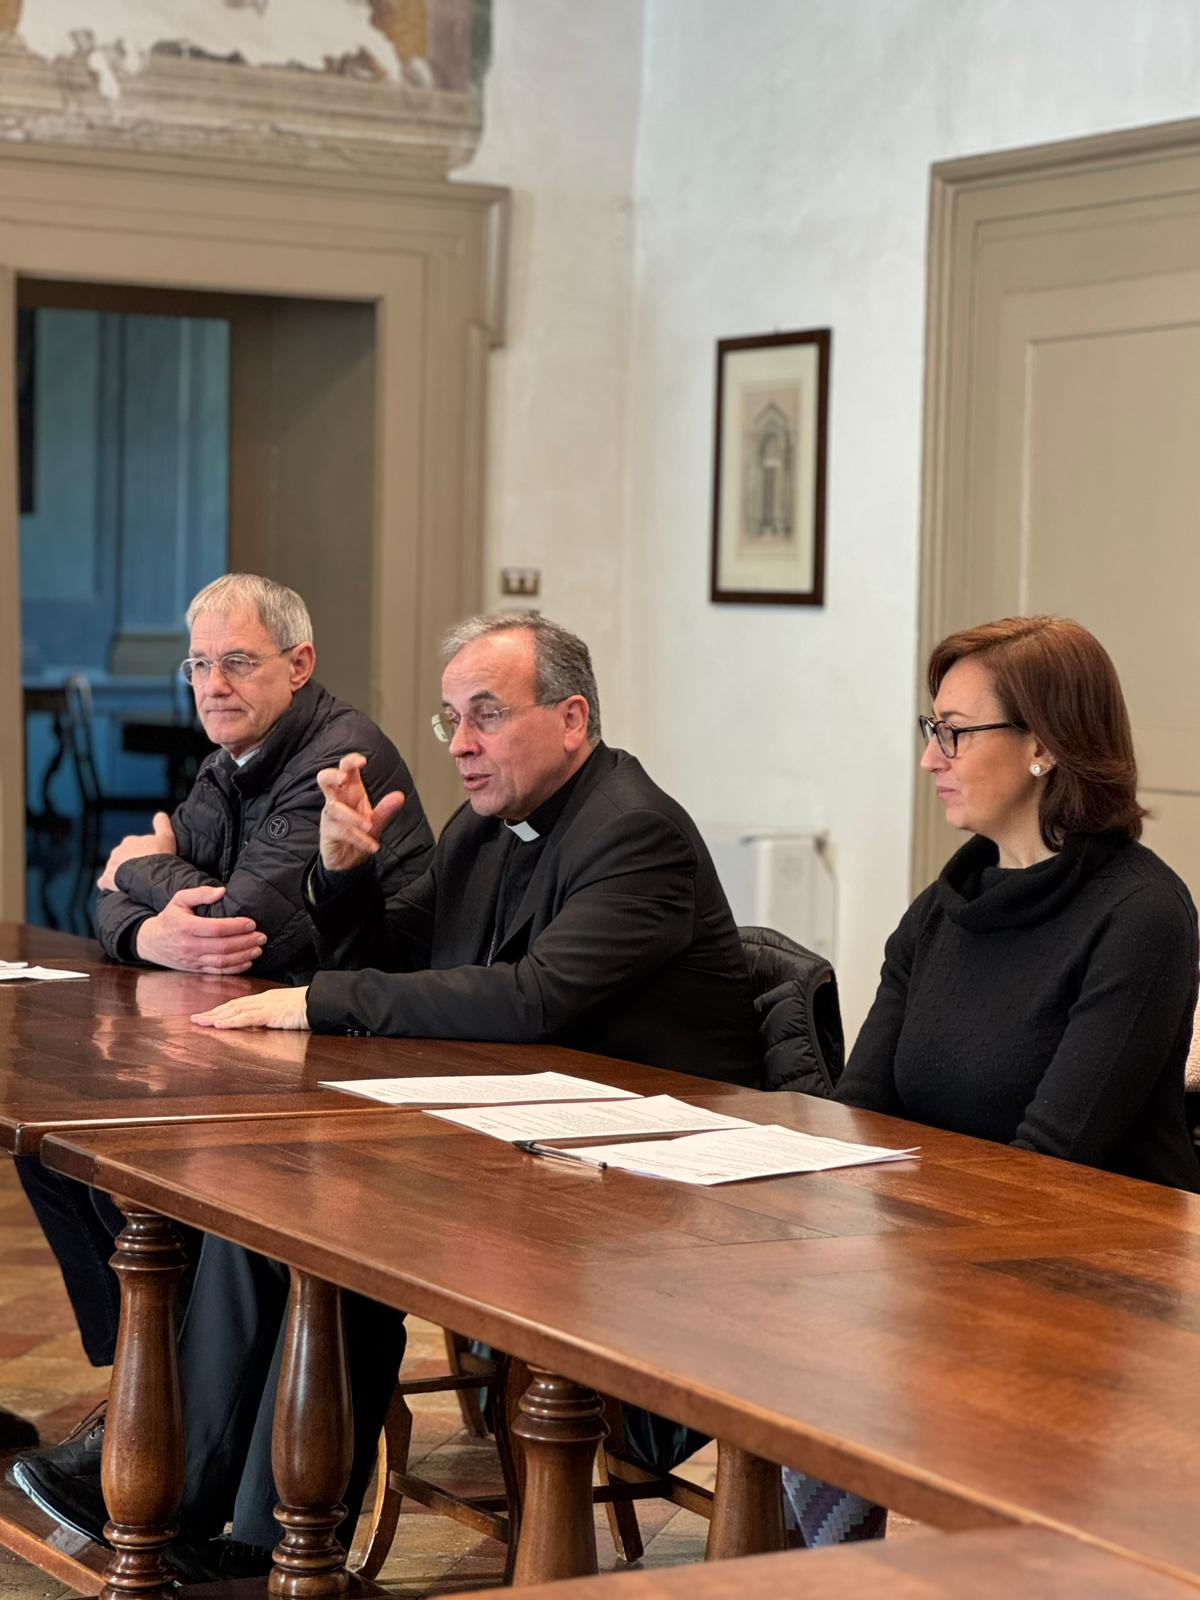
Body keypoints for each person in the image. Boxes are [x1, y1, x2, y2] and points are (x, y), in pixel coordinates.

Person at [41, 611, 758, 1582]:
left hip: (637, 1180)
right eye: (450, 719)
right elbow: (416, 971)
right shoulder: (480, 829)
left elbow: (531, 1000)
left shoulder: (635, 831)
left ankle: (268, 1536)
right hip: (511, 1136)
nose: (460, 743)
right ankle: (207, 1511)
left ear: (572, 719)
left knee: (334, 1220)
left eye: (486, 715)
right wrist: (342, 878)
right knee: (267, 1195)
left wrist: (316, 1001)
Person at [9, 574, 434, 1541]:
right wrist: (143, 928)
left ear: (300, 663)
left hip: (357, 1063)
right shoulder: (225, 763)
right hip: (259, 1048)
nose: (213, 684)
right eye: (199, 664)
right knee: (56, 1146)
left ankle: (158, 1429)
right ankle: (142, 1391)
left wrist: (137, 867)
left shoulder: (337, 755)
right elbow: (118, 909)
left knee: (190, 1183)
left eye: (237, 661)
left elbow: (247, 929)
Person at [782, 614, 1200, 1551]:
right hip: (954, 1257)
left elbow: (1051, 1165)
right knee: (775, 1339)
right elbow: (860, 1111)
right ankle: (814, 1571)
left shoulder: (1141, 915)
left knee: (820, 1348)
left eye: (955, 732)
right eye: (931, 729)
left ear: (1044, 745)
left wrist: (894, 1267)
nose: (931, 757)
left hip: (1097, 1288)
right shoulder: (944, 908)